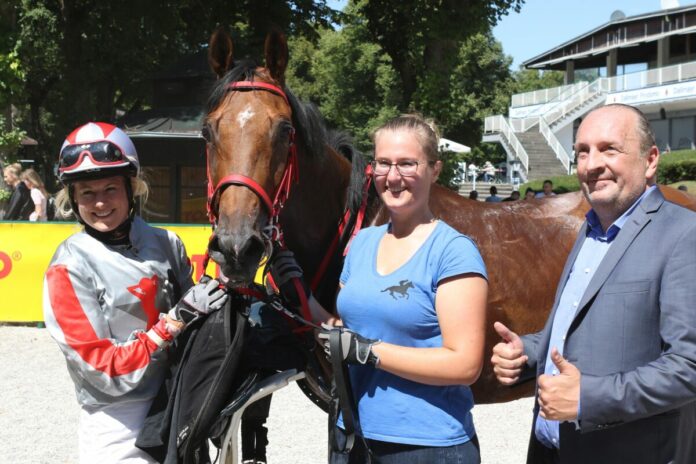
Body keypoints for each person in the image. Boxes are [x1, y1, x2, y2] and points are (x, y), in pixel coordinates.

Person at [490, 104, 696, 464]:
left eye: (609, 149)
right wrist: (528, 351)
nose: (591, 164)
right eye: (582, 152)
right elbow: (572, 330)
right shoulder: (590, 230)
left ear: (650, 160)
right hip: (552, 450)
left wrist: (588, 398)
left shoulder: (683, 235)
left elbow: (688, 366)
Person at [279, 114, 487, 463]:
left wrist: (371, 353)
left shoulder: (453, 251)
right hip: (352, 436)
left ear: (435, 170)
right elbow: (346, 332)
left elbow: (464, 364)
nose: (392, 176)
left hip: (426, 446)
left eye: (407, 163)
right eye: (383, 163)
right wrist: (299, 291)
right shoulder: (362, 243)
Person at [43, 122, 228, 464]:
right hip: (117, 421)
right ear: (73, 197)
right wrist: (171, 324)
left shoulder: (166, 243)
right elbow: (104, 371)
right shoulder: (68, 267)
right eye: (87, 192)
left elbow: (201, 329)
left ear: (131, 188)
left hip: (179, 402)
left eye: (110, 188)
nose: (100, 202)